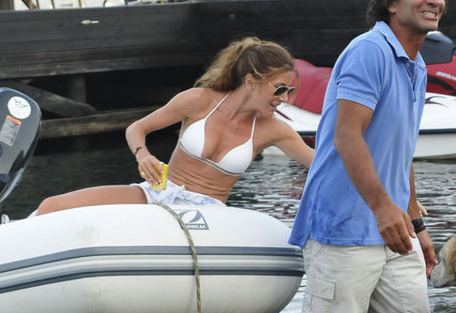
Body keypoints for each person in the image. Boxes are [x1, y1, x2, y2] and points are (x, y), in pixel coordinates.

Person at [288, 0, 446, 313]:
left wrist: (415, 220)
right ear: (392, 2)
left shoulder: (417, 64)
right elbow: (347, 135)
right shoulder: (369, 51)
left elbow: (400, 148)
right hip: (344, 223)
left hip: (392, 222)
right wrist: (382, 207)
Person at [36, 37, 314, 215]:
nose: (285, 99)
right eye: (280, 89)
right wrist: (143, 155)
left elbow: (321, 165)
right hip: (158, 195)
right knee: (51, 206)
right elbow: (136, 129)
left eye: (289, 91)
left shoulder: (274, 129)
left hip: (208, 216)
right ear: (251, 81)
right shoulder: (198, 100)